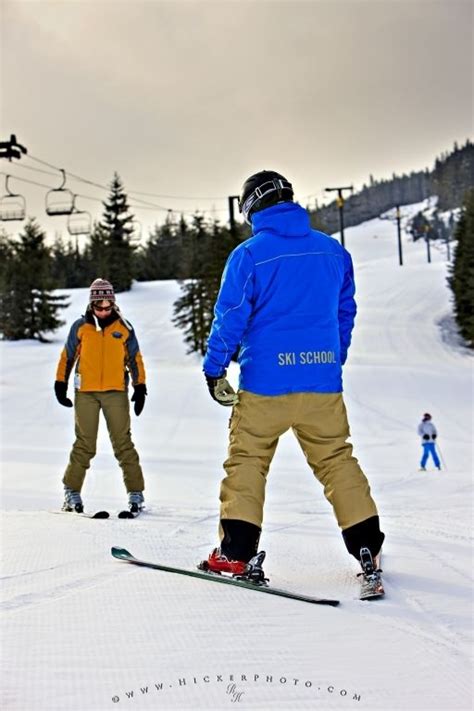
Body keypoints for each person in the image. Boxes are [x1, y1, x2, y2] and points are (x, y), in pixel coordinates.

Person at [202, 170, 384, 576]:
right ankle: (367, 546)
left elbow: (230, 317)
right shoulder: (333, 252)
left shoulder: (249, 255)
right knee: (337, 459)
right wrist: (332, 360)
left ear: (251, 207)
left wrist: (215, 368)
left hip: (266, 386)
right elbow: (345, 312)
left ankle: (235, 553)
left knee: (247, 461)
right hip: (321, 384)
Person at [54, 278, 147, 513]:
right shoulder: (81, 327)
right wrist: (60, 383)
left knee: (123, 443)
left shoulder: (124, 328)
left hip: (115, 392)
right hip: (85, 393)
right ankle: (71, 492)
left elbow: (135, 359)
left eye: (108, 307)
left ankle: (136, 493)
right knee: (85, 444)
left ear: (113, 304)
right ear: (91, 305)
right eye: (99, 307)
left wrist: (140, 387)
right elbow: (67, 357)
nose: (103, 311)